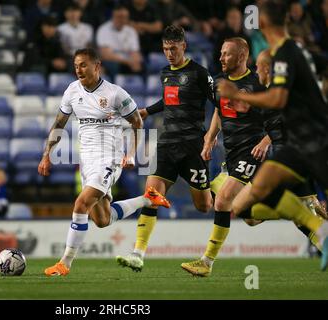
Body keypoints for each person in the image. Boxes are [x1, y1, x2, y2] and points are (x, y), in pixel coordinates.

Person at [38, 47, 170, 277]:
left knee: (81, 204)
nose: (78, 69)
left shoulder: (115, 94)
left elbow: (138, 123)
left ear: (97, 66)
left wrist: (130, 154)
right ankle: (147, 199)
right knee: (102, 219)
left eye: (83, 65)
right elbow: (59, 124)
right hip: (86, 162)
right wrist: (46, 154)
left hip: (109, 159)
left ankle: (65, 263)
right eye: (76, 65)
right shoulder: (72, 91)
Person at [217, 0, 328, 271]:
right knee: (242, 204)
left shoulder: (286, 53)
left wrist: (240, 96)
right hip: (296, 144)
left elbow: (278, 98)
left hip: (316, 140)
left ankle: (319, 223)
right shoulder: (286, 52)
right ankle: (321, 230)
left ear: (263, 22)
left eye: (256, 18)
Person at [115, 25, 214, 272]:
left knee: (204, 206)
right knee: (151, 197)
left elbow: (221, 105)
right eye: (165, 49)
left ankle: (221, 185)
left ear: (184, 46)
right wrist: (148, 110)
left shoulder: (200, 74)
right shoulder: (165, 73)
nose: (169, 53)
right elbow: (169, 100)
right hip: (167, 144)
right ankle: (137, 254)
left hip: (193, 147)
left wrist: (211, 138)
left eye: (173, 48)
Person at [181, 37, 270, 277]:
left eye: (226, 54)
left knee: (222, 201)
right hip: (230, 154)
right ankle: (291, 208)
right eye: (220, 53)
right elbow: (220, 110)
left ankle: (206, 262)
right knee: (249, 217)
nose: (220, 58)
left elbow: (280, 117)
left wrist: (265, 141)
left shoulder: (258, 83)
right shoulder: (220, 82)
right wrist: (210, 138)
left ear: (242, 56)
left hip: (251, 151)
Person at [96, 5, 143, 79]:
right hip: (112, 61)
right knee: (113, 65)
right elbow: (106, 55)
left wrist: (135, 60)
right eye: (119, 17)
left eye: (125, 17)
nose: (122, 19)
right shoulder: (103, 29)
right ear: (113, 17)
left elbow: (135, 52)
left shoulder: (131, 31)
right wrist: (127, 61)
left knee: (142, 64)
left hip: (128, 61)